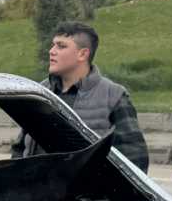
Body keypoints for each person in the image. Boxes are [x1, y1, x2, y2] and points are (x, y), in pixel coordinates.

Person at [11, 22, 149, 171]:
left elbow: (135, 160)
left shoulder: (113, 96)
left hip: (86, 192)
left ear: (82, 54)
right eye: (53, 45)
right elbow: (19, 149)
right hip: (37, 190)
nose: (51, 51)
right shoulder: (38, 92)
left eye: (61, 46)